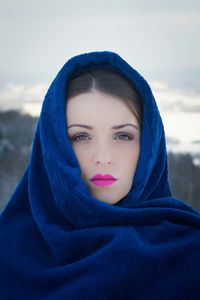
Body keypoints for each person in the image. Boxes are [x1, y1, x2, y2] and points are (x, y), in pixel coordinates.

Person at [0, 51, 200, 299]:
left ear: (149, 144)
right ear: (54, 146)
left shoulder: (190, 254)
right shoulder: (7, 253)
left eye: (123, 136)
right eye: (80, 137)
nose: (103, 157)